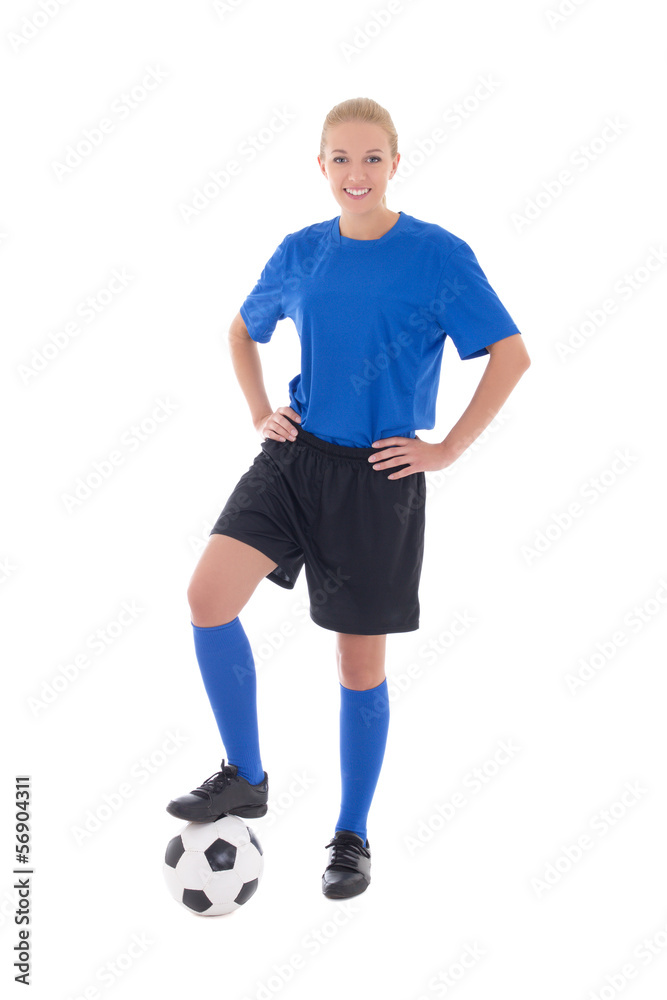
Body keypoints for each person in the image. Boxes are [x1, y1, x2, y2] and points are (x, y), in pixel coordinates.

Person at [166, 96, 531, 899]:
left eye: (371, 158)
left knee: (357, 664)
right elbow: (241, 331)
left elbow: (509, 354)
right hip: (293, 462)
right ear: (321, 165)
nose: (355, 174)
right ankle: (246, 776)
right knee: (206, 597)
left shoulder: (437, 255)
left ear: (395, 164)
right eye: (340, 159)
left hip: (379, 482)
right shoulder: (301, 252)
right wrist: (259, 408)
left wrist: (444, 449)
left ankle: (350, 835)